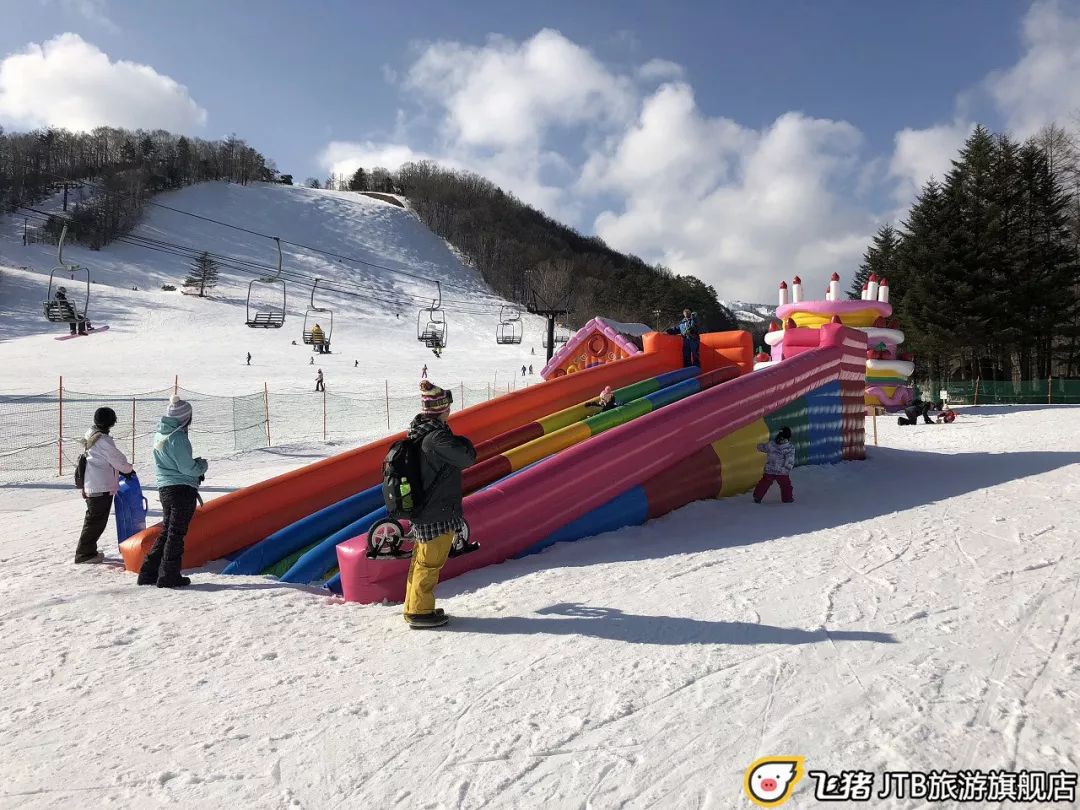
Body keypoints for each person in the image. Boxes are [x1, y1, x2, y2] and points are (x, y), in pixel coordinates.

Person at [403, 381, 477, 628]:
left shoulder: (419, 432)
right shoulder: (437, 438)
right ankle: (420, 613)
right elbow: (467, 457)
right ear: (441, 409)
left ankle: (414, 606)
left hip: (427, 508)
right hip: (436, 511)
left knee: (421, 560)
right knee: (429, 562)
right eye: (447, 407)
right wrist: (464, 441)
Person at [137, 395, 207, 587]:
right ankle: (169, 575)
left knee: (167, 531)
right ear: (186, 418)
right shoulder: (177, 438)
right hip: (181, 489)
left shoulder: (161, 434)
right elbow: (186, 467)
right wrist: (201, 466)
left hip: (166, 488)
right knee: (176, 533)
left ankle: (148, 572)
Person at [74, 407, 134, 563]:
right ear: (111, 422)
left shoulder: (91, 434)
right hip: (100, 486)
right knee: (95, 521)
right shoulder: (103, 440)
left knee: (94, 520)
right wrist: (128, 470)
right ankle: (84, 554)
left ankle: (88, 551)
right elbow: (117, 460)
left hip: (93, 483)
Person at [753, 426, 795, 504]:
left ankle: (757, 496)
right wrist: (787, 469)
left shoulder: (771, 444)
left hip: (770, 469)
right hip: (781, 471)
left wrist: (758, 446)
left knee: (764, 483)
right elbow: (790, 460)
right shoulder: (789, 447)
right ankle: (787, 498)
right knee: (785, 485)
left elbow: (764, 448)